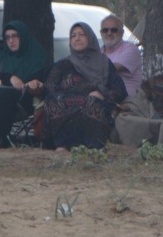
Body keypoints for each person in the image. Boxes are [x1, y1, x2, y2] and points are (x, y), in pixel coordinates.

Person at [41, 22, 127, 151]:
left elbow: (119, 90)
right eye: (73, 35)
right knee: (54, 101)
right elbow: (50, 87)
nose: (77, 38)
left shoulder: (103, 63)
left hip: (95, 102)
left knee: (91, 103)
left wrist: (102, 94)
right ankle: (62, 146)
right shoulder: (63, 64)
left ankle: (91, 147)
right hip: (66, 101)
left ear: (90, 38)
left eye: (82, 35)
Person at [100, 14, 143, 97]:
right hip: (105, 97)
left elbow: (111, 68)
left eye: (114, 30)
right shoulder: (99, 51)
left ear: (122, 33)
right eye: (105, 30)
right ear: (101, 33)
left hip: (127, 101)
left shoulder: (131, 50)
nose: (109, 33)